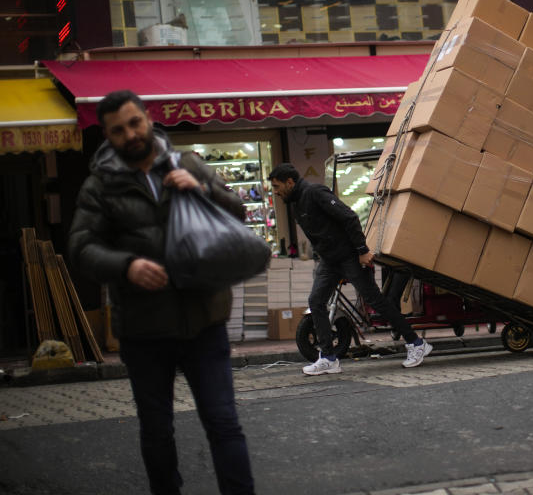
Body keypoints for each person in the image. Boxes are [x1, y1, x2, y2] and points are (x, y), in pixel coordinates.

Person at [69, 90, 255, 495]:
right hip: (143, 329)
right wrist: (126, 266)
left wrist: (205, 192)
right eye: (119, 130)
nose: (131, 134)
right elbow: (81, 246)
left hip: (204, 318)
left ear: (148, 119)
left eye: (135, 123)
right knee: (156, 431)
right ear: (107, 134)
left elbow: (238, 213)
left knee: (224, 423)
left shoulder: (187, 163)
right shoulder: (99, 187)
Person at [268, 163, 432, 374]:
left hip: (349, 257)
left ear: (289, 182)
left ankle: (417, 344)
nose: (275, 191)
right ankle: (328, 357)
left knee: (376, 301)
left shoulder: (315, 193)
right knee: (316, 302)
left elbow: (349, 217)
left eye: (276, 186)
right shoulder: (295, 203)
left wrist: (362, 250)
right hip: (329, 262)